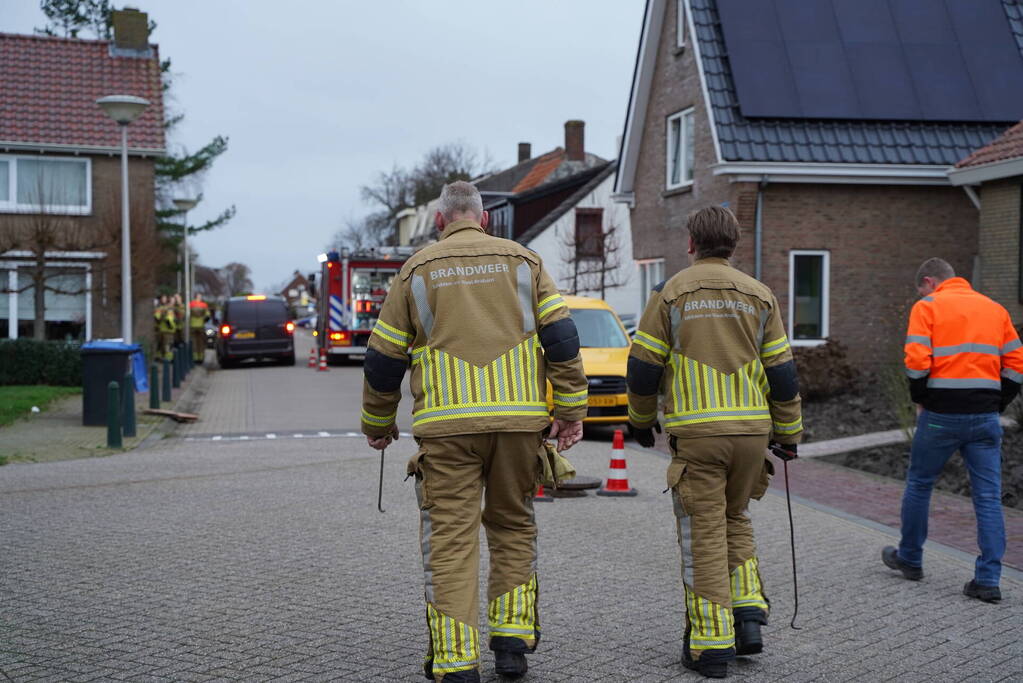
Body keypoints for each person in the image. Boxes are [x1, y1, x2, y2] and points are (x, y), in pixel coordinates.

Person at [361, 181, 587, 683]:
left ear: (440, 222)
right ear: (484, 220)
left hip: (446, 431)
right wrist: (570, 409)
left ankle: (457, 663)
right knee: (512, 526)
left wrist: (378, 422)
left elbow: (383, 359)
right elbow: (563, 339)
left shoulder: (417, 269)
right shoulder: (525, 263)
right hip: (519, 427)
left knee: (451, 539)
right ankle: (510, 643)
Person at [627, 206, 802, 679]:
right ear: (734, 244)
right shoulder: (760, 295)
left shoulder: (670, 294)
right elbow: (783, 373)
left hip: (700, 436)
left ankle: (710, 646)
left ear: (690, 243)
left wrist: (641, 422)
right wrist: (788, 433)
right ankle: (747, 618)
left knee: (703, 532)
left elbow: (643, 367)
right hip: (751, 434)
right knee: (735, 517)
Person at [882, 257, 1023, 603]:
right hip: (984, 416)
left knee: (919, 484)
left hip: (941, 414)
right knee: (988, 497)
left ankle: (911, 559)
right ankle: (988, 580)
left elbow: (916, 360)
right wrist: (997, 403)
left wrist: (922, 399)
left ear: (929, 282)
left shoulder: (927, 306)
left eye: (921, 289)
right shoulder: (994, 309)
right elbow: (1017, 363)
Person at [188, 293, 211, 362]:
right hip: (200, 325)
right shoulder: (203, 305)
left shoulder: (191, 304)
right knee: (201, 342)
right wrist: (205, 319)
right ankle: (200, 357)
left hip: (193, 325)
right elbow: (207, 314)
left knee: (195, 342)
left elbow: (187, 314)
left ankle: (195, 357)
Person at [153, 294, 176, 361]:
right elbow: (157, 317)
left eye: (165, 298)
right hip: (163, 329)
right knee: (163, 345)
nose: (164, 300)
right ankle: (163, 358)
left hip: (169, 330)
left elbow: (172, 318)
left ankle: (167, 359)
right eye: (163, 298)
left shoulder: (171, 308)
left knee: (167, 345)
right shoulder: (161, 308)